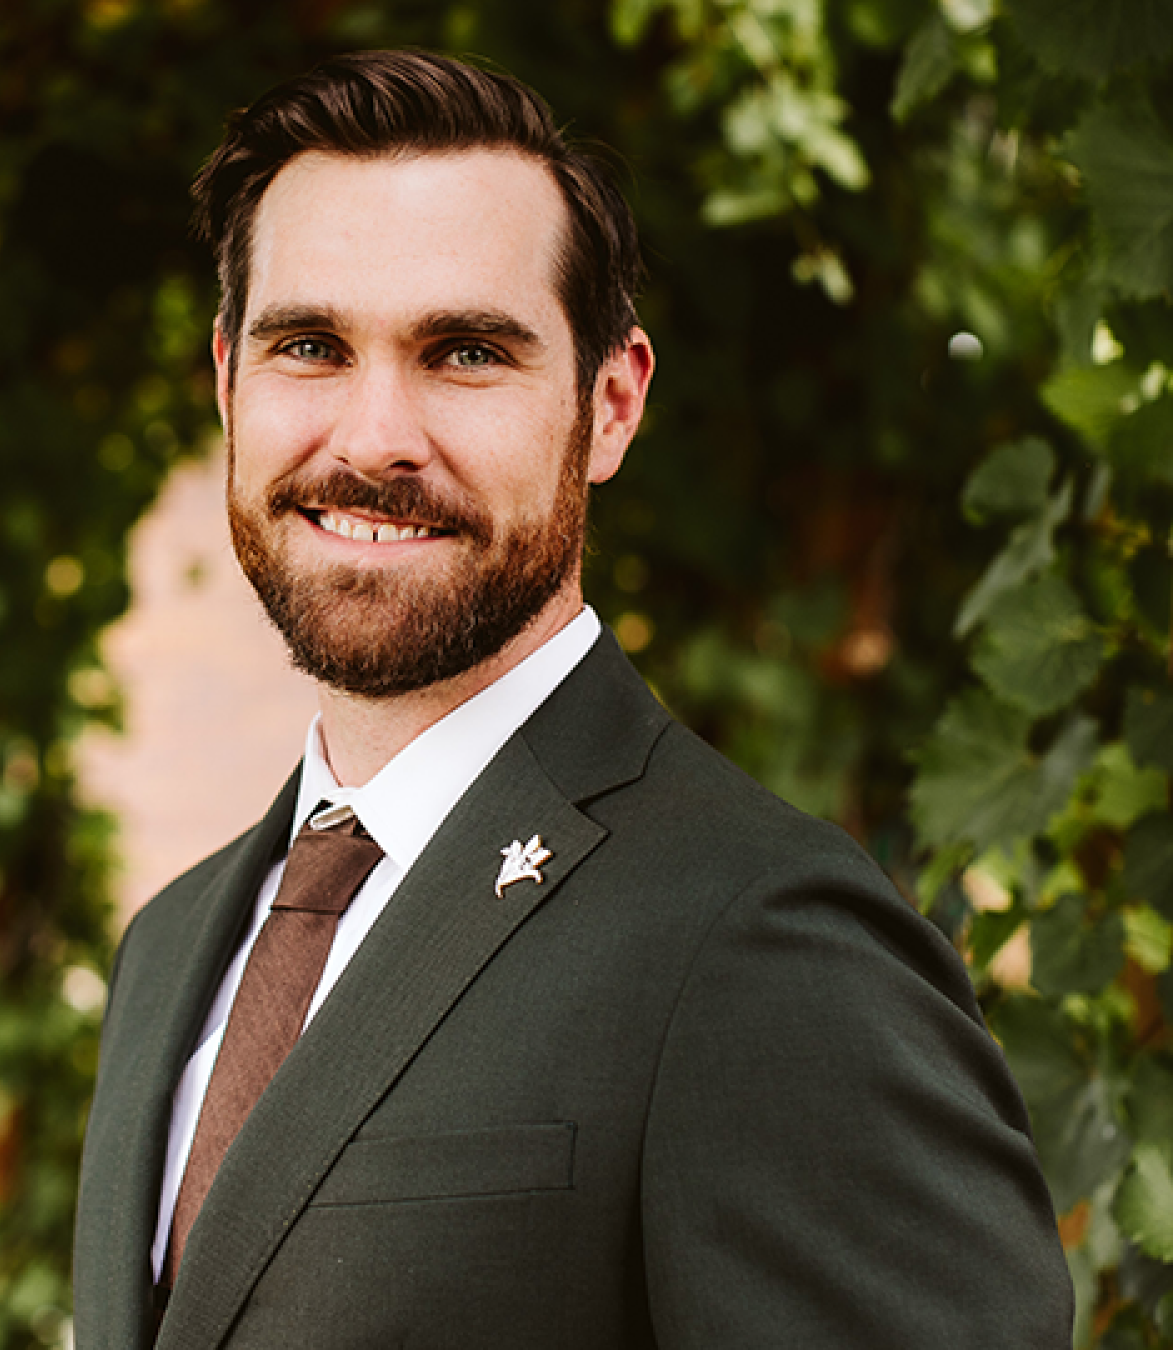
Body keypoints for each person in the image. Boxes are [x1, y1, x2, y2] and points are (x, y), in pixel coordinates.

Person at [73, 49, 1073, 1350]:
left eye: (465, 351)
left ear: (608, 406)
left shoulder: (765, 943)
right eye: (308, 345)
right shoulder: (168, 947)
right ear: (226, 382)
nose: (373, 436)